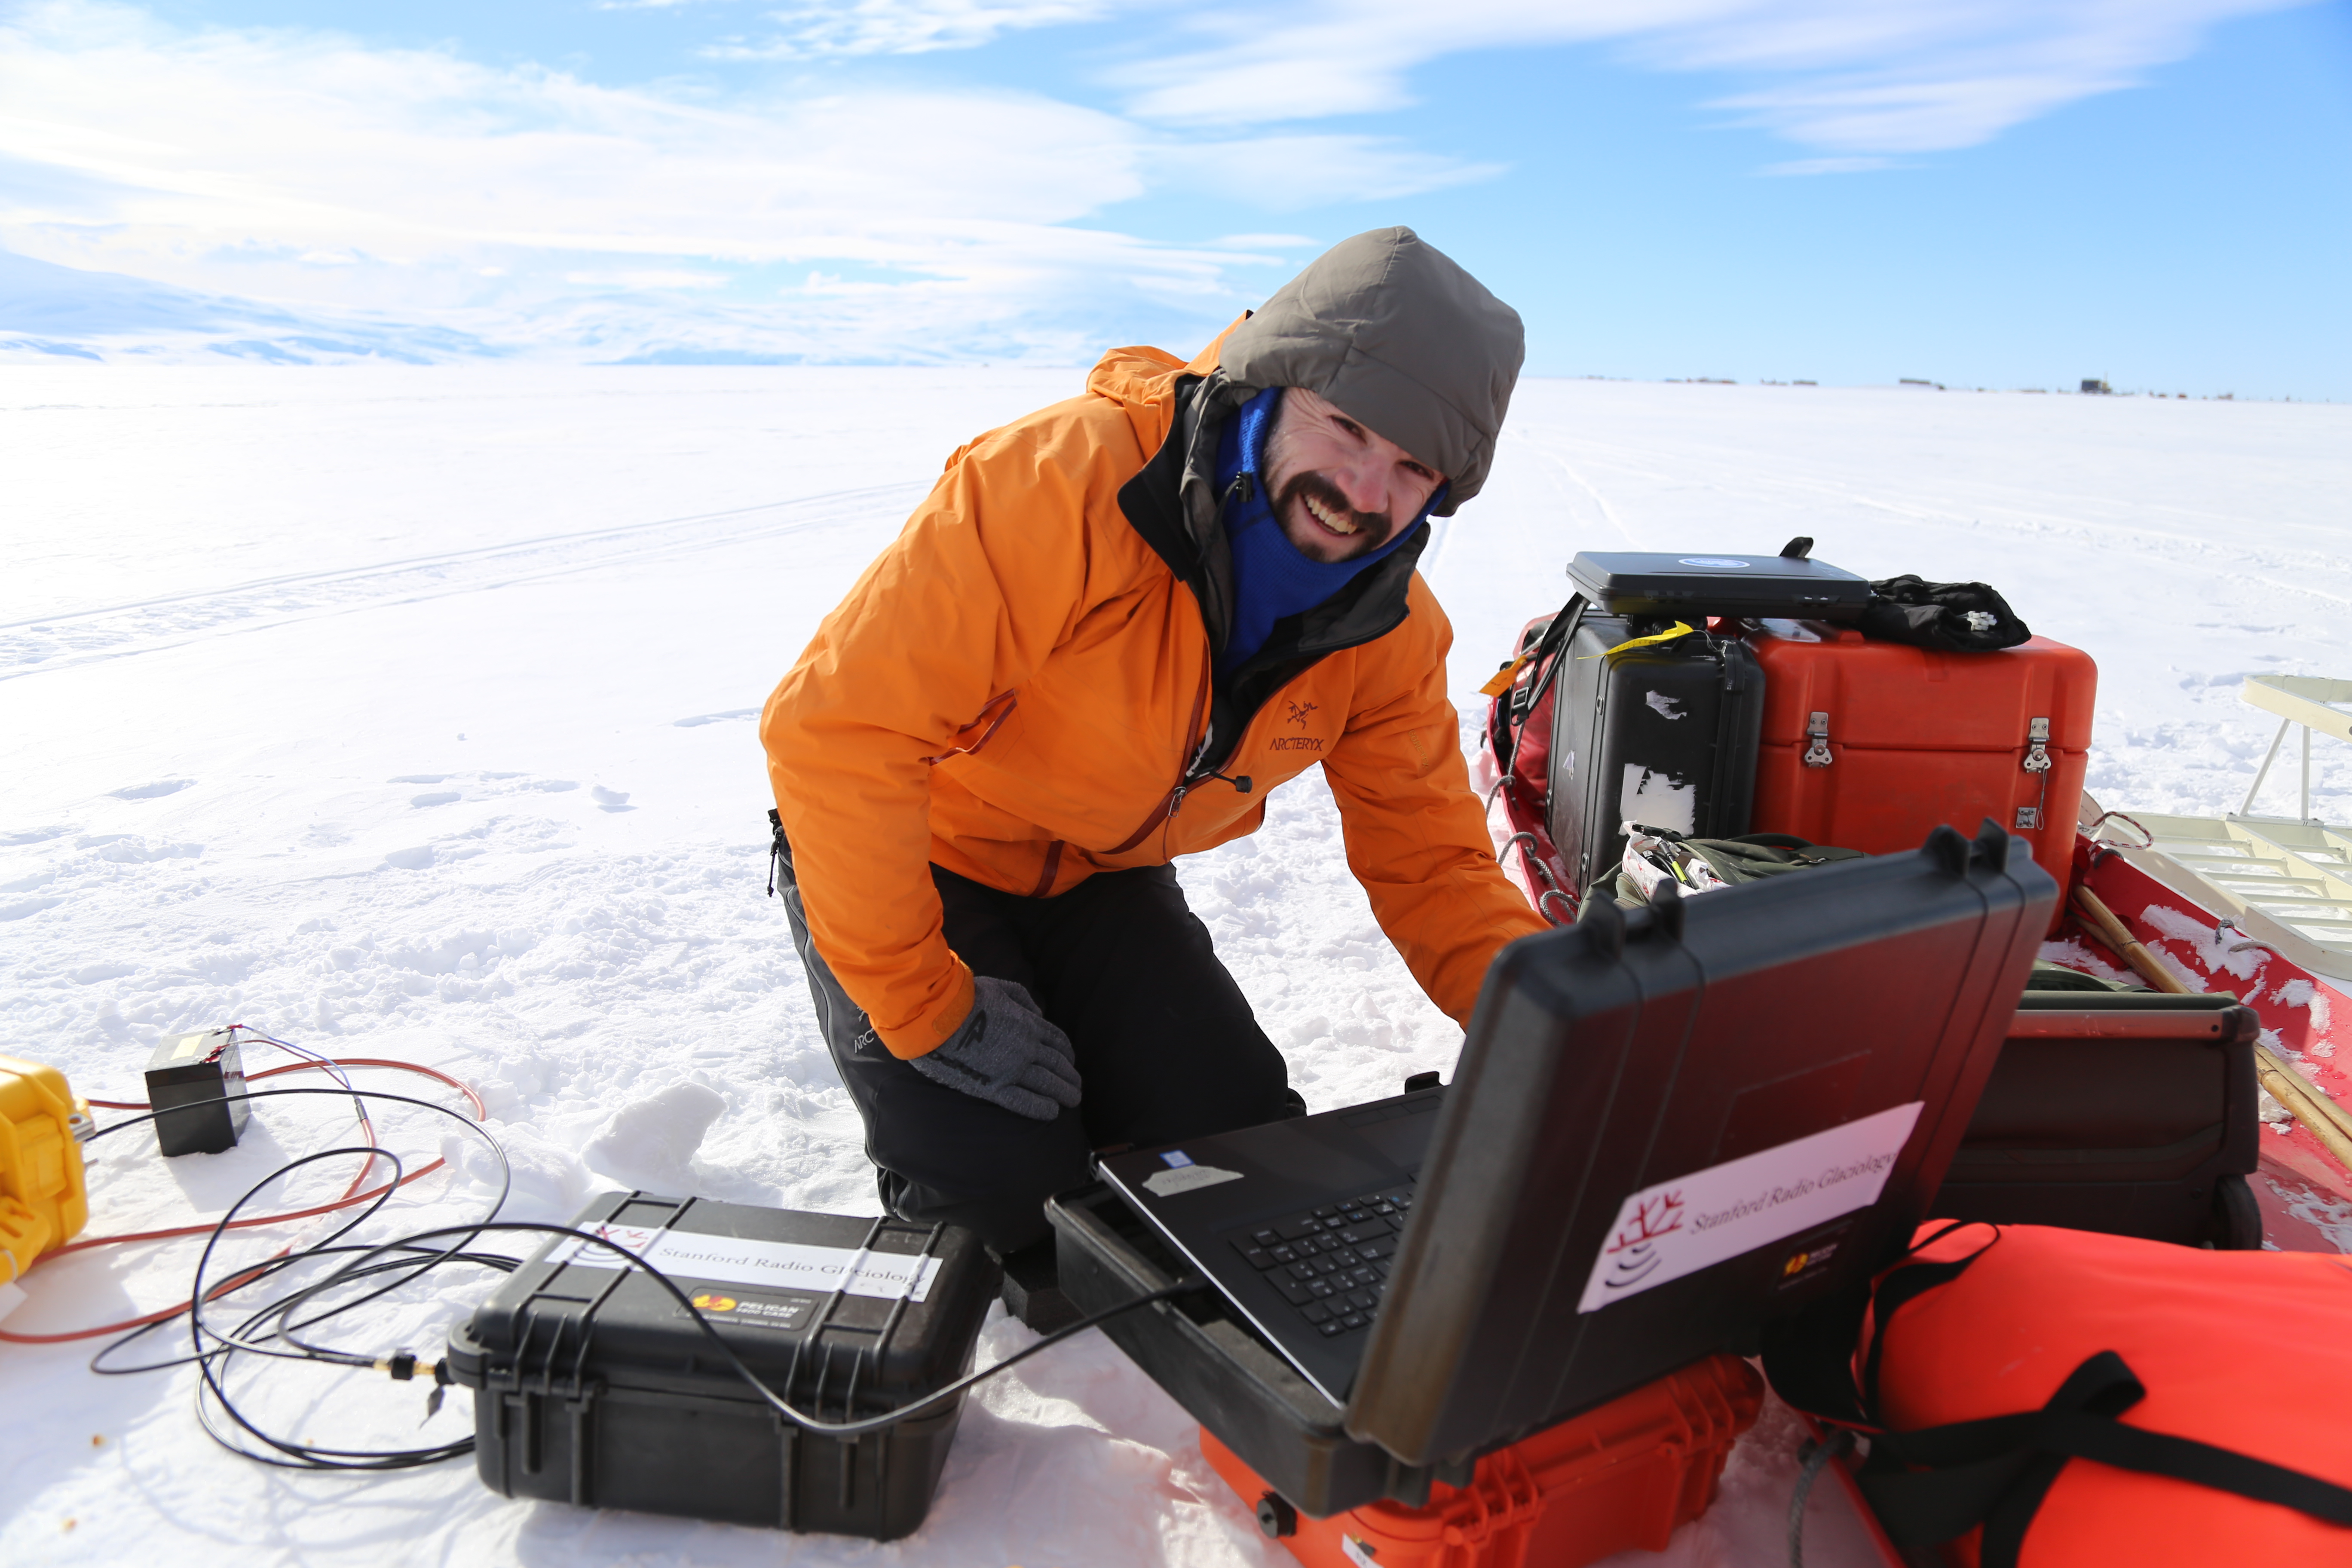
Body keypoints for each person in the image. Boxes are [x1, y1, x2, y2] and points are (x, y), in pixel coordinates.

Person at [760, 227, 1549, 1299]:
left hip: (1097, 872)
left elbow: (1435, 867)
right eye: (1347, 426)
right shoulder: (1065, 482)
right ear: (1273, 385)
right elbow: (842, 734)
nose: (1364, 489)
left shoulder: (1389, 629)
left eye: (1414, 467)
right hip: (920, 842)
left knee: (1238, 1161)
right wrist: (924, 1002)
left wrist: (1554, 1031)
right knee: (1011, 1214)